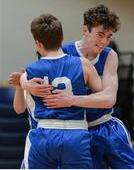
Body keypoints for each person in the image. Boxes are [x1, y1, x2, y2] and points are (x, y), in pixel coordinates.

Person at [23, 5, 134, 168]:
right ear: (85, 29)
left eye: (109, 36)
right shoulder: (64, 52)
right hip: (78, 132)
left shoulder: (110, 55)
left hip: (105, 126)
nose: (104, 42)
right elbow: (31, 70)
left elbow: (109, 99)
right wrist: (25, 83)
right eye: (100, 35)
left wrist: (71, 100)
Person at [18, 13, 105, 169]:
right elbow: (104, 95)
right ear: (62, 37)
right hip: (76, 133)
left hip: (45, 133)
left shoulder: (30, 70)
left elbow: (19, 108)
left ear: (38, 43)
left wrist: (23, 81)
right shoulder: (83, 64)